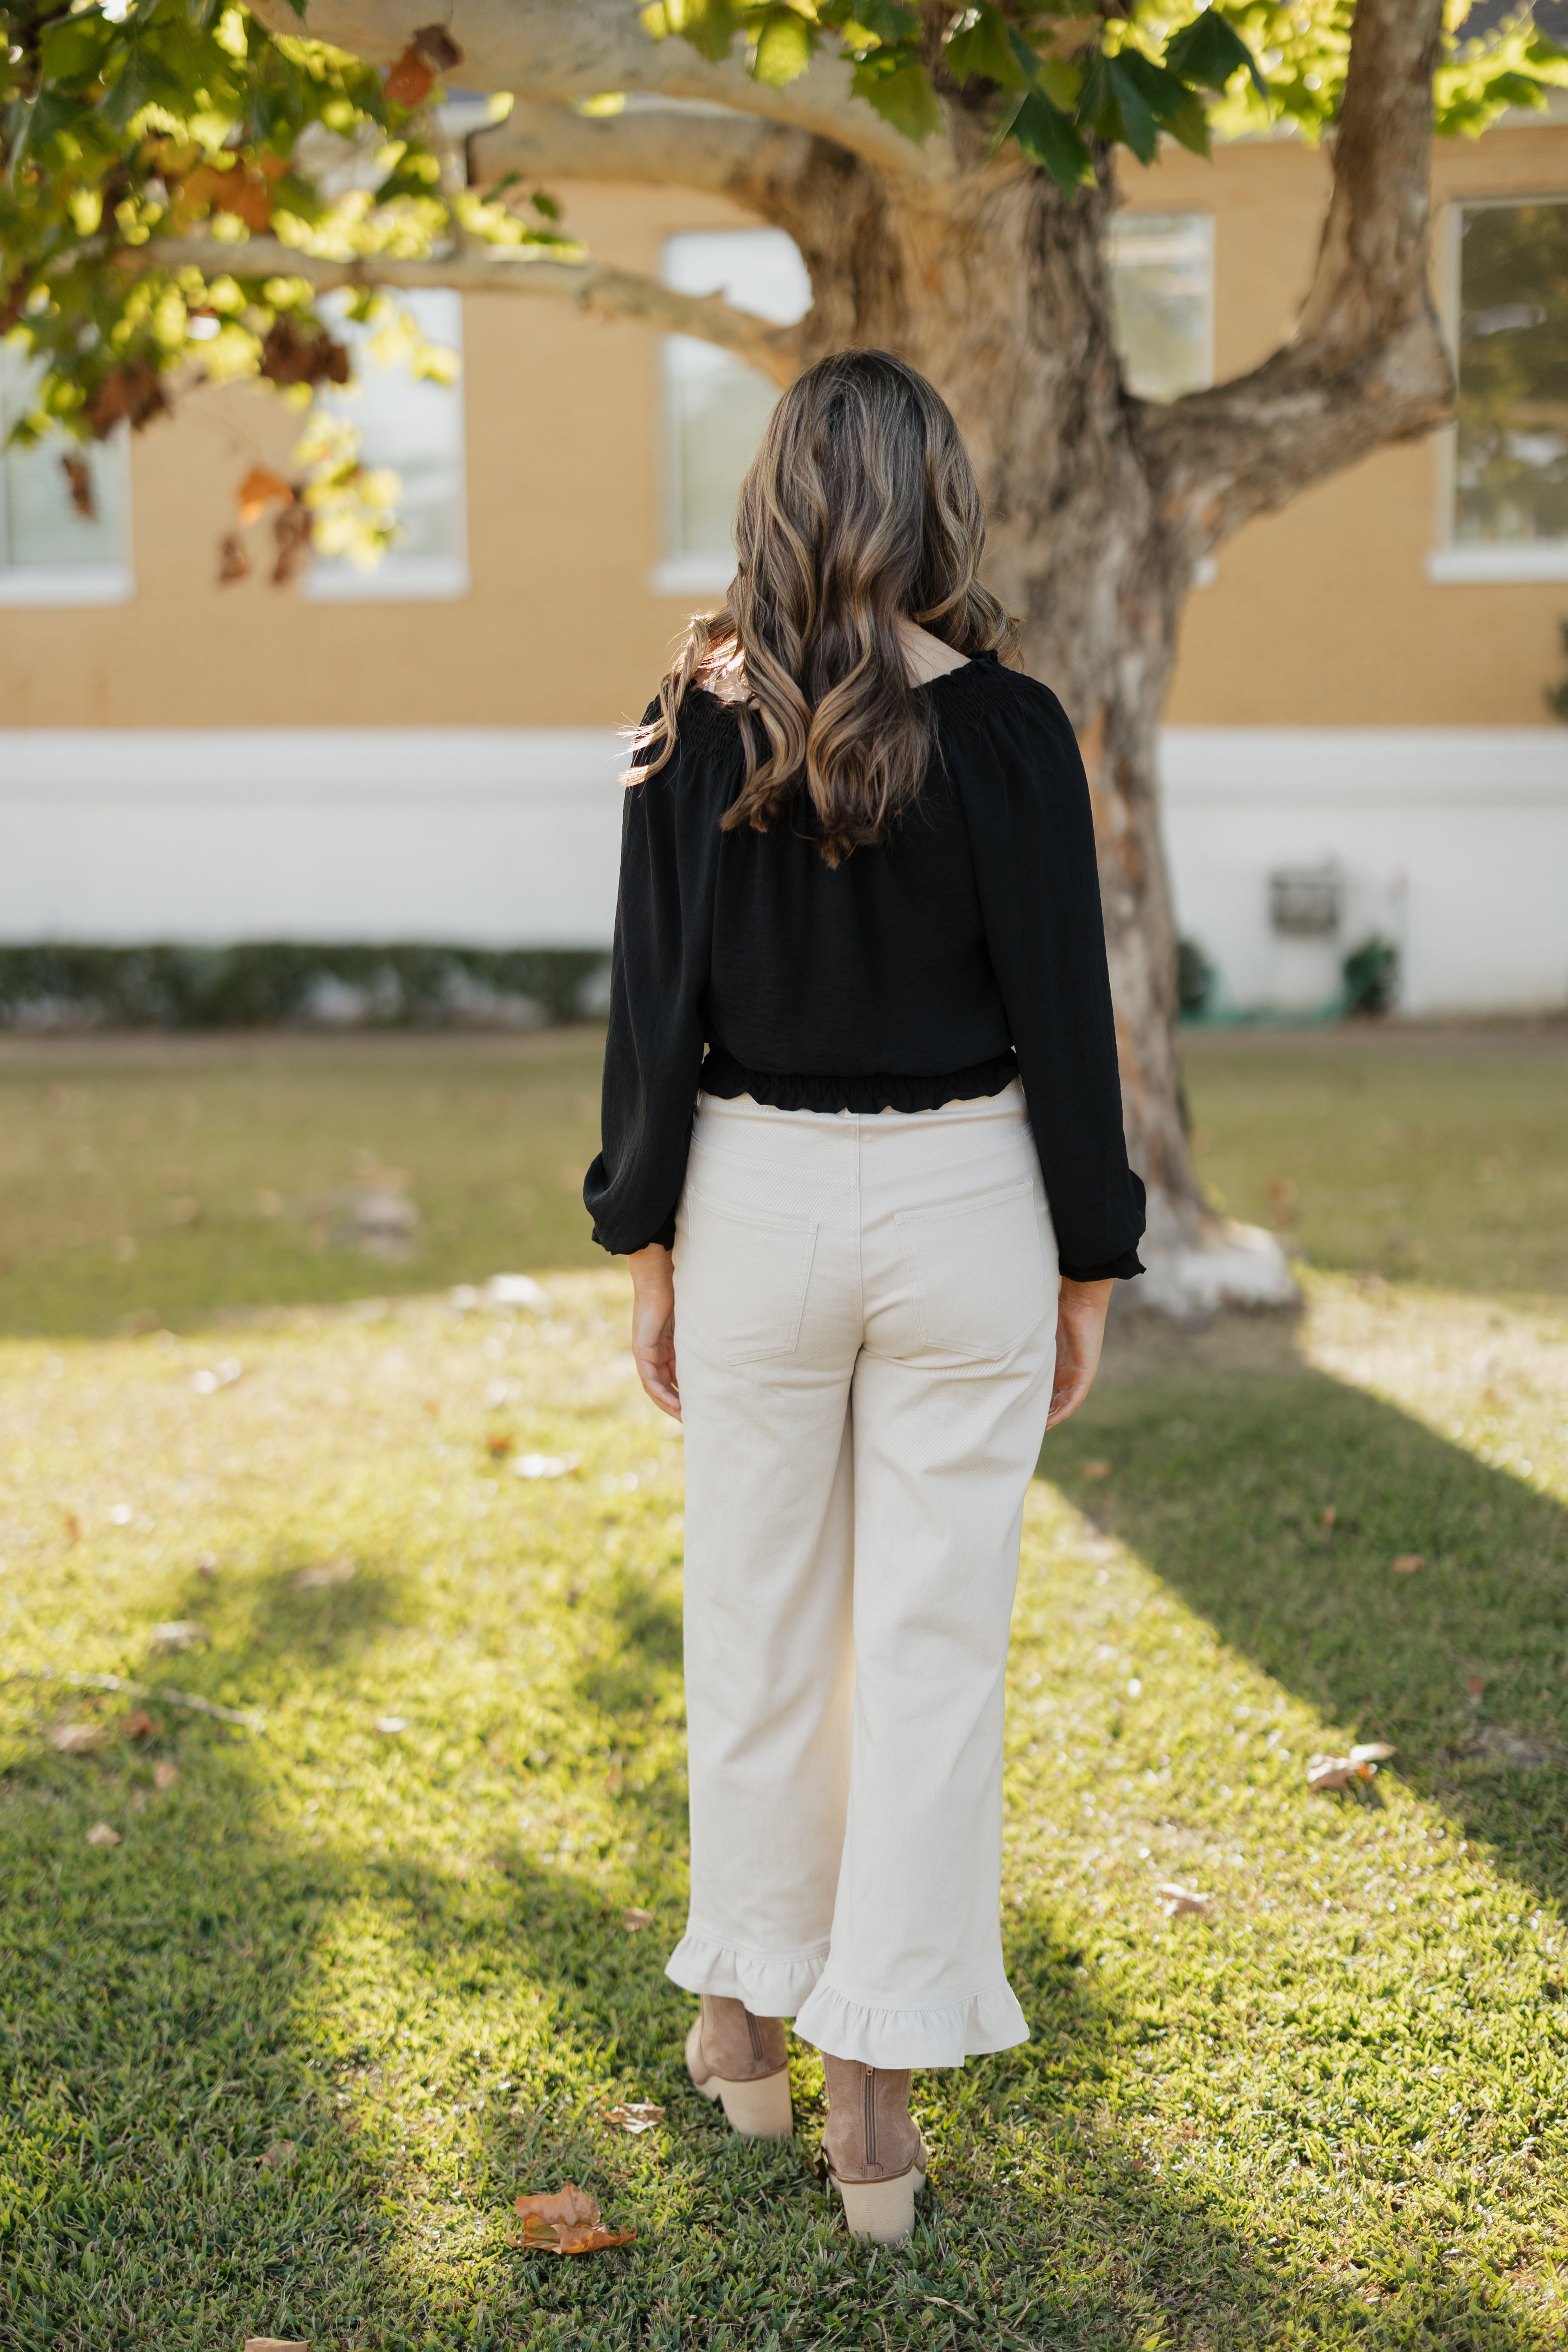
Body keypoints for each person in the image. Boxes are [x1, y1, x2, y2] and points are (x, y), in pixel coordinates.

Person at [584, 348, 1145, 2245]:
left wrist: (645, 1237)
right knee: (928, 1658)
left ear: (783, 491)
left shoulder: (696, 706)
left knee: (757, 1625)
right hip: (969, 1199)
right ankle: (876, 2125)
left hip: (754, 1202)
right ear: (935, 501)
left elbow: (655, 999)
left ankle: (741, 2034)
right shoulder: (1011, 728)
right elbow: (1071, 1015)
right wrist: (1090, 1257)